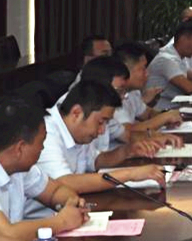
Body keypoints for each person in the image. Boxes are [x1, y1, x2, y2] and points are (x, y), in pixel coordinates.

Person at [33, 81, 165, 200]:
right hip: (47, 215)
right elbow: (64, 182)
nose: (102, 130)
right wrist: (130, 174)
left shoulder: (78, 130)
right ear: (76, 113)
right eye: (101, 122)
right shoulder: (45, 132)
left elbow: (95, 161)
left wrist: (126, 151)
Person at [0, 97, 88, 241]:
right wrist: (62, 222)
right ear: (20, 148)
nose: (42, 148)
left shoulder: (18, 167)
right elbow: (4, 235)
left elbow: (54, 191)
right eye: (42, 142)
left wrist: (72, 203)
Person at [113, 42, 183, 131]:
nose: (147, 73)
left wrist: (168, 115)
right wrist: (164, 118)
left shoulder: (133, 92)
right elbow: (127, 131)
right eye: (143, 68)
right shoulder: (113, 95)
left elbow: (148, 114)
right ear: (125, 69)